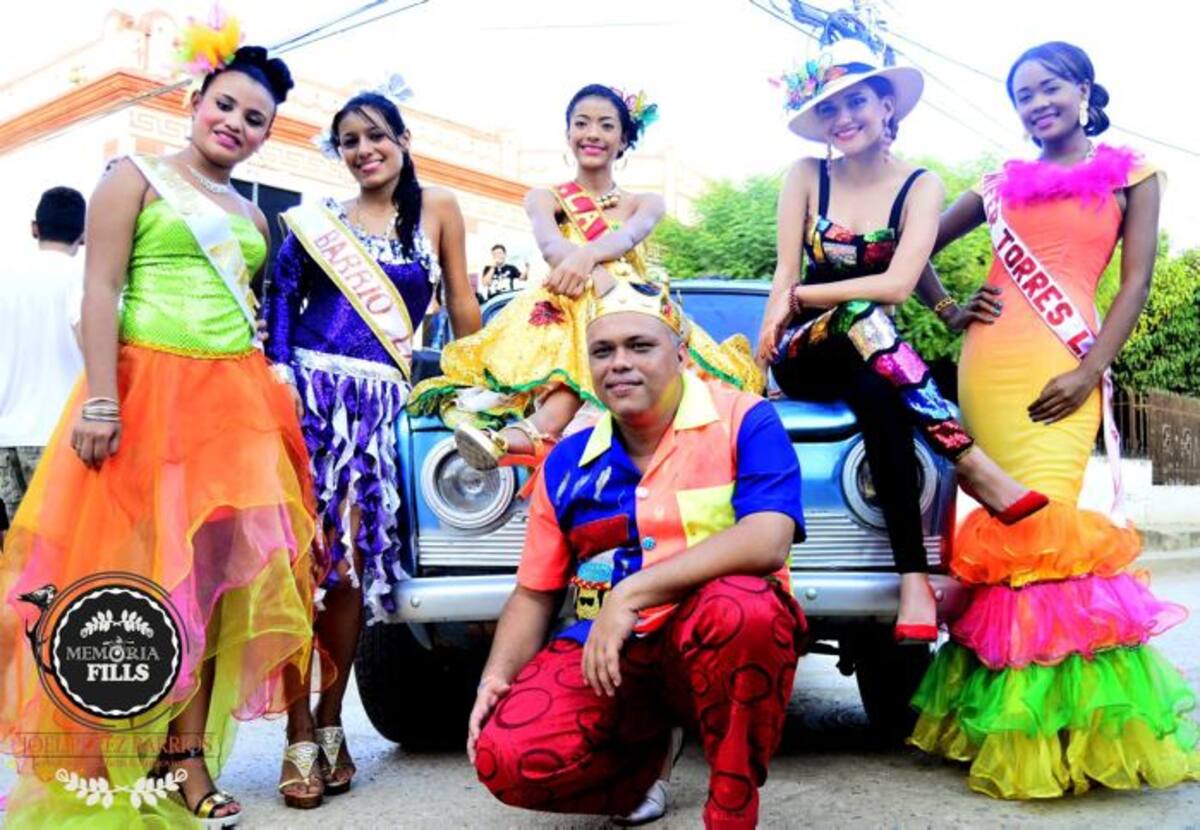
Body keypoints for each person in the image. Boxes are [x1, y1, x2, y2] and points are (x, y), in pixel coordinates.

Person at [0, 28, 320, 827]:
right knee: (126, 587)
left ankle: (186, 759)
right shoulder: (132, 177)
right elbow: (99, 292)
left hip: (231, 411)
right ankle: (101, 756)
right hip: (143, 396)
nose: (236, 125)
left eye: (256, 119)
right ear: (194, 102)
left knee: (206, 591)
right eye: (226, 106)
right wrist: (103, 402)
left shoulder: (251, 212)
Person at [908, 41, 1198, 798]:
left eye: (1048, 88)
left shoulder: (1134, 173)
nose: (1036, 104)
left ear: (1082, 90)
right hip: (990, 364)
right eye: (1022, 95)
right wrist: (944, 306)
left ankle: (1067, 728)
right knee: (1008, 533)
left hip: (1065, 358)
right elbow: (918, 244)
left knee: (1049, 525)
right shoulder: (998, 184)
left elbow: (1134, 283)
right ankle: (1009, 725)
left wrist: (1091, 368)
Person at [467, 280, 807, 829]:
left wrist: (631, 593)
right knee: (504, 759)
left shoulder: (746, 419)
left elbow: (768, 538)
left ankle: (731, 803)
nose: (619, 363)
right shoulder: (567, 461)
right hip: (607, 659)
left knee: (747, 608)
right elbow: (535, 591)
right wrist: (494, 678)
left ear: (679, 353)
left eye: (639, 346)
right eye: (603, 351)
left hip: (709, 638)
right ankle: (640, 766)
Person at [757, 38, 1048, 645]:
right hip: (806, 351)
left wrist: (945, 311)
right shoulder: (807, 176)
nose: (843, 120)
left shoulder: (922, 186)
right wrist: (775, 328)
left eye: (856, 101)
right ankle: (970, 463)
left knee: (883, 402)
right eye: (829, 111)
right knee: (864, 313)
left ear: (887, 104)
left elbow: (897, 280)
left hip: (867, 349)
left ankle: (913, 579)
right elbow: (788, 272)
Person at [264, 89, 479, 809]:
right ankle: (297, 730)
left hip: (382, 406)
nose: (364, 150)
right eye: (350, 140)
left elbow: (460, 307)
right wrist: (283, 378)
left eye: (375, 136)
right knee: (302, 568)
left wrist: (478, 382)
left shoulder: (440, 209)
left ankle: (332, 720)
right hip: (312, 403)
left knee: (350, 572)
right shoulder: (320, 220)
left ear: (403, 138)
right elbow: (281, 298)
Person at [409, 84, 763, 472]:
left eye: (606, 125)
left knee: (612, 323)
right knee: (580, 317)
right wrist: (592, 273)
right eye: (582, 123)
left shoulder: (645, 202)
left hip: (634, 311)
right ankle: (536, 432)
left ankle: (535, 433)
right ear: (568, 134)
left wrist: (592, 266)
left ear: (624, 139)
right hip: (564, 307)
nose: (592, 133)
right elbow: (549, 245)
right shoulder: (545, 197)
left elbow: (626, 237)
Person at [0, 187, 86, 530]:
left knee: (11, 558)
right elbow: (91, 343)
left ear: (35, 228)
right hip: (61, 438)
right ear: (84, 234)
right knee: (54, 555)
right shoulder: (83, 281)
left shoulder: (4, 279)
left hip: (5, 438)